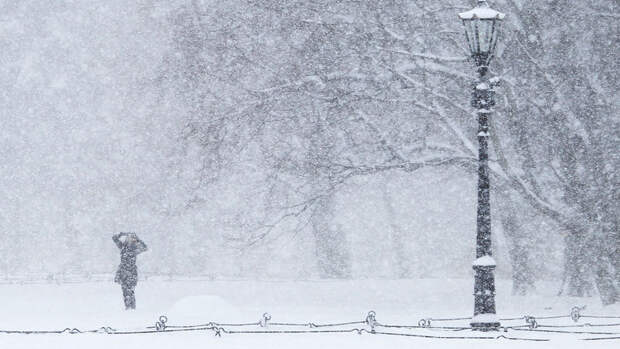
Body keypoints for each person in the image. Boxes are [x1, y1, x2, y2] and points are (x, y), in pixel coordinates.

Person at [112, 232, 147, 309]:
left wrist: (138, 239)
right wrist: (122, 234)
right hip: (123, 272)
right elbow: (114, 238)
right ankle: (128, 307)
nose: (129, 239)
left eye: (131, 238)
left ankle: (132, 307)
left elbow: (145, 248)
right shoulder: (123, 247)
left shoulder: (134, 249)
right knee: (125, 291)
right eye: (128, 238)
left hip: (131, 272)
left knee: (130, 291)